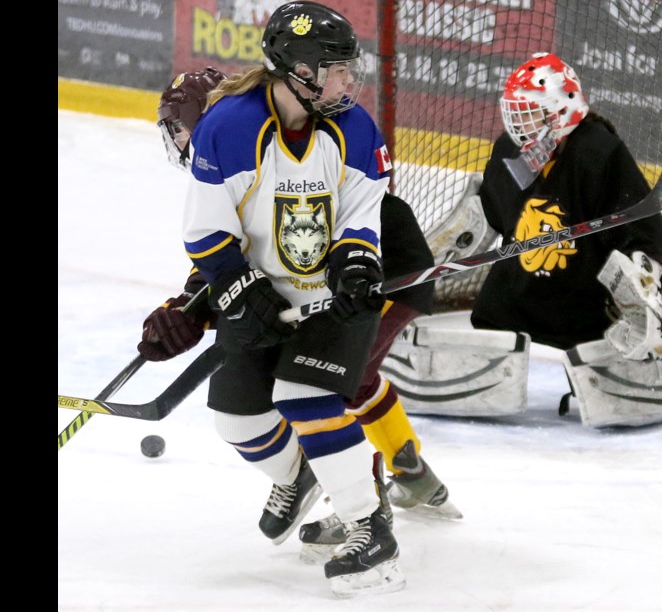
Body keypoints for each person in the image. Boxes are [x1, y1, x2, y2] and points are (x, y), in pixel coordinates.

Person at [137, 1, 434, 597]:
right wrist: (238, 290)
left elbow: (362, 215)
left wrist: (355, 264)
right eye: (338, 68)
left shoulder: (354, 127)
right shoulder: (229, 128)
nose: (351, 80)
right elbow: (208, 232)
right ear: (298, 70)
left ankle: (369, 530)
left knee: (305, 396)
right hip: (267, 291)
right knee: (236, 418)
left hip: (332, 299)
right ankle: (304, 475)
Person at [146, 64, 460, 524]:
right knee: (349, 384)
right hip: (343, 274)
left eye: (179, 127)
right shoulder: (235, 151)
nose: (176, 140)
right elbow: (237, 255)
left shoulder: (256, 145)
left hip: (380, 273)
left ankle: (360, 511)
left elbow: (274, 248)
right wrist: (185, 311)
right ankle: (410, 474)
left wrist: (202, 306)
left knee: (320, 393)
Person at [468, 52, 662, 428]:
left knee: (621, 286)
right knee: (497, 303)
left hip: (582, 308)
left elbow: (645, 233)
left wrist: (645, 275)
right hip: (516, 300)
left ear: (560, 110)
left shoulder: (598, 152)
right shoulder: (510, 150)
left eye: (529, 113)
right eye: (516, 113)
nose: (519, 124)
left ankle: (644, 349)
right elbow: (497, 215)